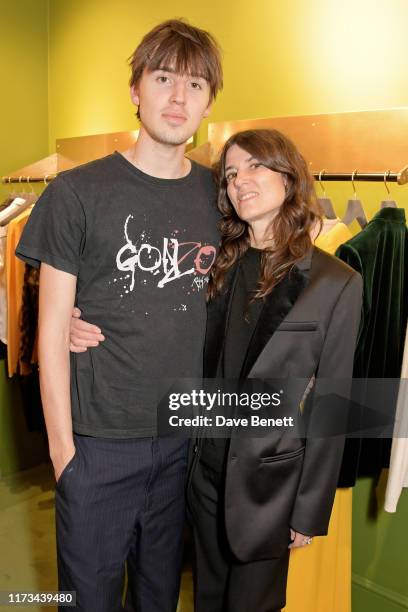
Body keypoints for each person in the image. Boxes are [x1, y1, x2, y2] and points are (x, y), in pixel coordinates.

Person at [15, 19, 222, 612]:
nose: (178, 98)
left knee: (159, 598)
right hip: (98, 444)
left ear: (210, 100)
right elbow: (52, 329)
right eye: (163, 79)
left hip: (182, 443)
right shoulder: (76, 193)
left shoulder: (220, 198)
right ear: (135, 90)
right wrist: (62, 454)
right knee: (87, 601)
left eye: (195, 85)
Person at [185, 129, 363, 612]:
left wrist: (308, 509)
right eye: (232, 173)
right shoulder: (215, 264)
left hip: (267, 490)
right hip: (202, 475)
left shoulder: (336, 283)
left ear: (288, 176)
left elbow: (334, 404)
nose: (241, 180)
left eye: (256, 166)